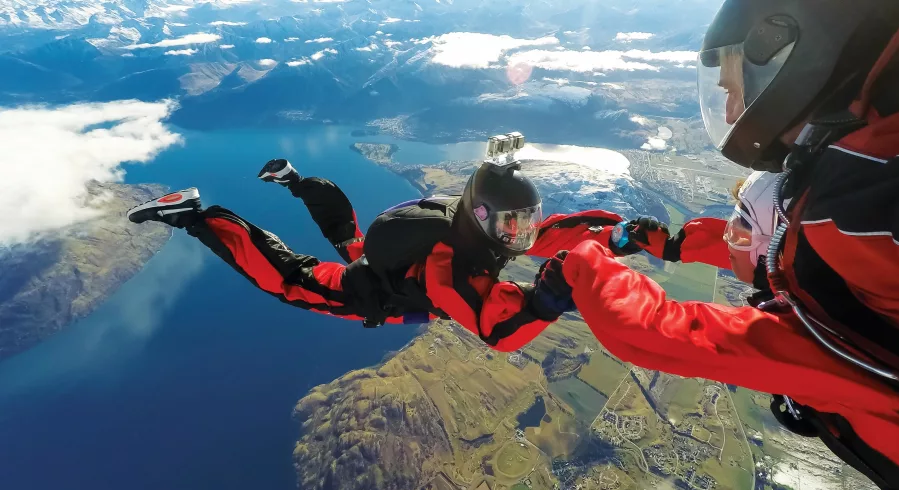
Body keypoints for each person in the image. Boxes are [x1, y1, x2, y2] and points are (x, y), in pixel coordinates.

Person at [540, 0, 899, 490]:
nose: (732, 113)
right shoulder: (859, 190)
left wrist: (584, 262)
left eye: (734, 90)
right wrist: (670, 246)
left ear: (791, 51)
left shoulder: (862, 198)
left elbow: (653, 333)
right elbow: (761, 254)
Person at [126, 134, 616, 352]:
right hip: (374, 288)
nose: (522, 234)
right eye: (515, 223)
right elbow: (496, 329)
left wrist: (616, 234)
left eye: (523, 221)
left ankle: (294, 180)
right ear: (485, 216)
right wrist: (544, 303)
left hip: (394, 265)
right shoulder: (450, 267)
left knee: (350, 240)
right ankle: (194, 215)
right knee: (291, 280)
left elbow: (545, 233)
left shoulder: (471, 221)